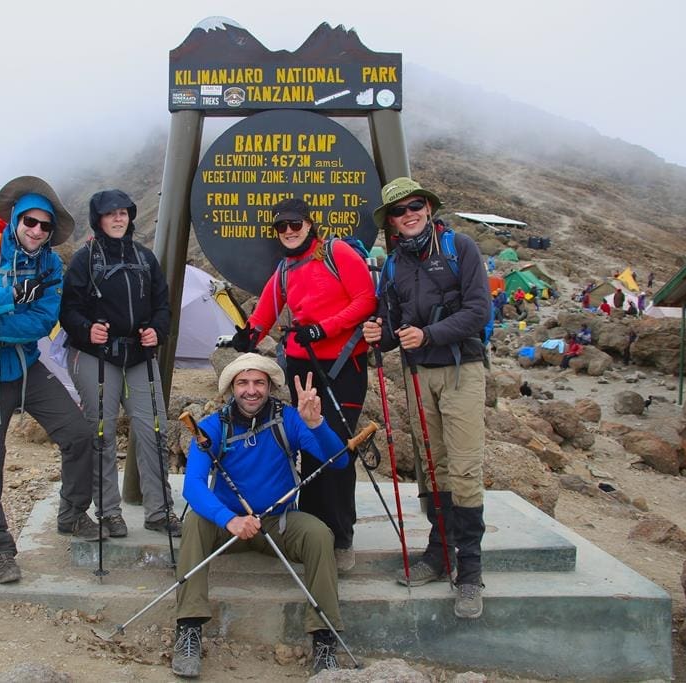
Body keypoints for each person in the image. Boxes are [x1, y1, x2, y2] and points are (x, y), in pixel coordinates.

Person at [0, 176, 93, 583]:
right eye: (30, 221)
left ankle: (73, 514)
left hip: (25, 366)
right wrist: (10, 298)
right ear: (14, 219)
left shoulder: (50, 266)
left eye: (45, 226)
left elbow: (43, 320)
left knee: (78, 434)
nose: (37, 231)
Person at [171, 353, 349, 678]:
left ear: (269, 387)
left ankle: (324, 639)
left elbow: (338, 462)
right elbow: (193, 487)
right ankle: (189, 629)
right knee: (196, 520)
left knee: (320, 534)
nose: (251, 390)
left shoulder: (290, 419)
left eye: (258, 383)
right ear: (231, 389)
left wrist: (316, 425)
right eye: (243, 383)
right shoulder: (210, 428)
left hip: (277, 523)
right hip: (230, 526)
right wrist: (229, 519)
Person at [362, 177, 488, 620]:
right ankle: (439, 555)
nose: (408, 214)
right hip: (417, 376)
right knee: (433, 465)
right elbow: (391, 327)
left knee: (465, 466)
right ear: (391, 223)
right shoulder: (394, 265)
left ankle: (469, 573)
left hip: (460, 371)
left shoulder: (460, 248)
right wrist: (378, 335)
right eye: (398, 211)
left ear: (428, 208)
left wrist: (429, 334)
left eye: (415, 205)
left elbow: (479, 311)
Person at [230, 197, 376, 571]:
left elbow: (365, 300)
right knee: (308, 446)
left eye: (296, 224)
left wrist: (323, 328)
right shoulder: (285, 269)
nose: (290, 231)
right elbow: (266, 308)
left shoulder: (336, 252)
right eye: (282, 227)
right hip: (301, 364)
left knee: (338, 448)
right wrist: (249, 335)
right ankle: (313, 533)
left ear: (310, 225)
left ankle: (341, 537)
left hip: (345, 364)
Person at [59, 189, 177, 538]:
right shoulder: (84, 260)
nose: (118, 219)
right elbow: (68, 309)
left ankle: (159, 511)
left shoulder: (144, 258)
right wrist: (85, 329)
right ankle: (109, 512)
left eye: (123, 213)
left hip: (139, 355)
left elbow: (162, 305)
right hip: (96, 356)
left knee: (154, 431)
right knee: (102, 434)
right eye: (110, 214)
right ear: (98, 219)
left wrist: (157, 330)